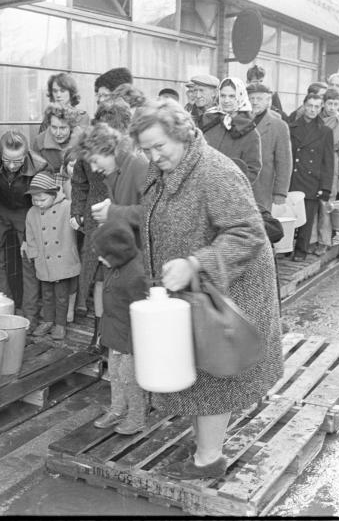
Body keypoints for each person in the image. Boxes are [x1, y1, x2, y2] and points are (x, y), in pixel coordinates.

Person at [127, 99, 283, 479]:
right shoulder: (168, 167)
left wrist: (196, 263)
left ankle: (208, 460)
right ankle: (203, 442)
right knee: (196, 371)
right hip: (191, 291)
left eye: (159, 146)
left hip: (226, 294)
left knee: (214, 374)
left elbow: (249, 234)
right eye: (146, 148)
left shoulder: (214, 171)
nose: (153, 155)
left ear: (181, 133)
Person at [69, 99, 139, 349]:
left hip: (124, 226)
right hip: (95, 219)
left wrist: (118, 213)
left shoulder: (135, 160)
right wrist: (77, 209)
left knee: (121, 278)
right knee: (100, 279)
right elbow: (79, 181)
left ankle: (123, 337)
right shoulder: (89, 152)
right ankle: (99, 335)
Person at [0, 130, 48, 331]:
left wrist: (28, 237)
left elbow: (38, 204)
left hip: (26, 210)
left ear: (26, 155)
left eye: (17, 162)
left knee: (29, 258)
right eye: (7, 160)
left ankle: (29, 315)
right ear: (0, 152)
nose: (10, 166)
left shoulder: (40, 166)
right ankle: (4, 308)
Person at [90, 219, 149, 435]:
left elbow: (143, 313)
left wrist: (134, 346)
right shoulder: (114, 265)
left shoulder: (136, 274)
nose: (99, 259)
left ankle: (136, 417)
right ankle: (117, 409)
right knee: (114, 373)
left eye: (103, 255)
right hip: (115, 331)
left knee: (129, 376)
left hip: (131, 337)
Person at [24, 172, 80, 341]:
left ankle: (60, 324)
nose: (38, 203)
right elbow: (30, 236)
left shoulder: (67, 207)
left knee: (62, 295)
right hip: (43, 260)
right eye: (35, 200)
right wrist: (33, 255)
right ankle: (48, 321)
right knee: (47, 294)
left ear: (53, 193)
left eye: (42, 199)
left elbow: (79, 225)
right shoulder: (32, 213)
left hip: (62, 259)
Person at [287, 93, 335, 262]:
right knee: (289, 216)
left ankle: (301, 250)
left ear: (321, 108)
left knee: (306, 220)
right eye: (310, 106)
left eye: (317, 106)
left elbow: (328, 162)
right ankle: (286, 247)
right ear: (304, 106)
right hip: (293, 178)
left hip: (312, 181)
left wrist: (326, 187)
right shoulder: (291, 127)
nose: (313, 110)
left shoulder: (325, 132)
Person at [200, 77, 262, 186]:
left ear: (240, 97)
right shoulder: (208, 121)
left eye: (232, 96)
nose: (226, 100)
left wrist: (232, 188)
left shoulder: (249, 132)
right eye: (223, 95)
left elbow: (252, 170)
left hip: (230, 193)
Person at [311, 88, 339, 257]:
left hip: (331, 166)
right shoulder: (314, 118)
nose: (332, 107)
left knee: (326, 204)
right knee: (311, 203)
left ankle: (324, 241)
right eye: (329, 103)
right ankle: (310, 239)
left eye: (336, 104)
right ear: (324, 103)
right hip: (313, 164)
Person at [247, 83, 292, 211]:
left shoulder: (279, 126)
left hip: (263, 188)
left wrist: (280, 192)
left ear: (268, 101)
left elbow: (284, 162)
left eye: (259, 98)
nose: (255, 102)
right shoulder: (238, 122)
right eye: (251, 98)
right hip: (239, 187)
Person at [32, 102, 83, 199]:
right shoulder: (39, 142)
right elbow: (38, 175)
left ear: (71, 127)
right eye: (54, 127)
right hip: (49, 188)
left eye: (63, 128)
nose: (58, 133)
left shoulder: (82, 139)